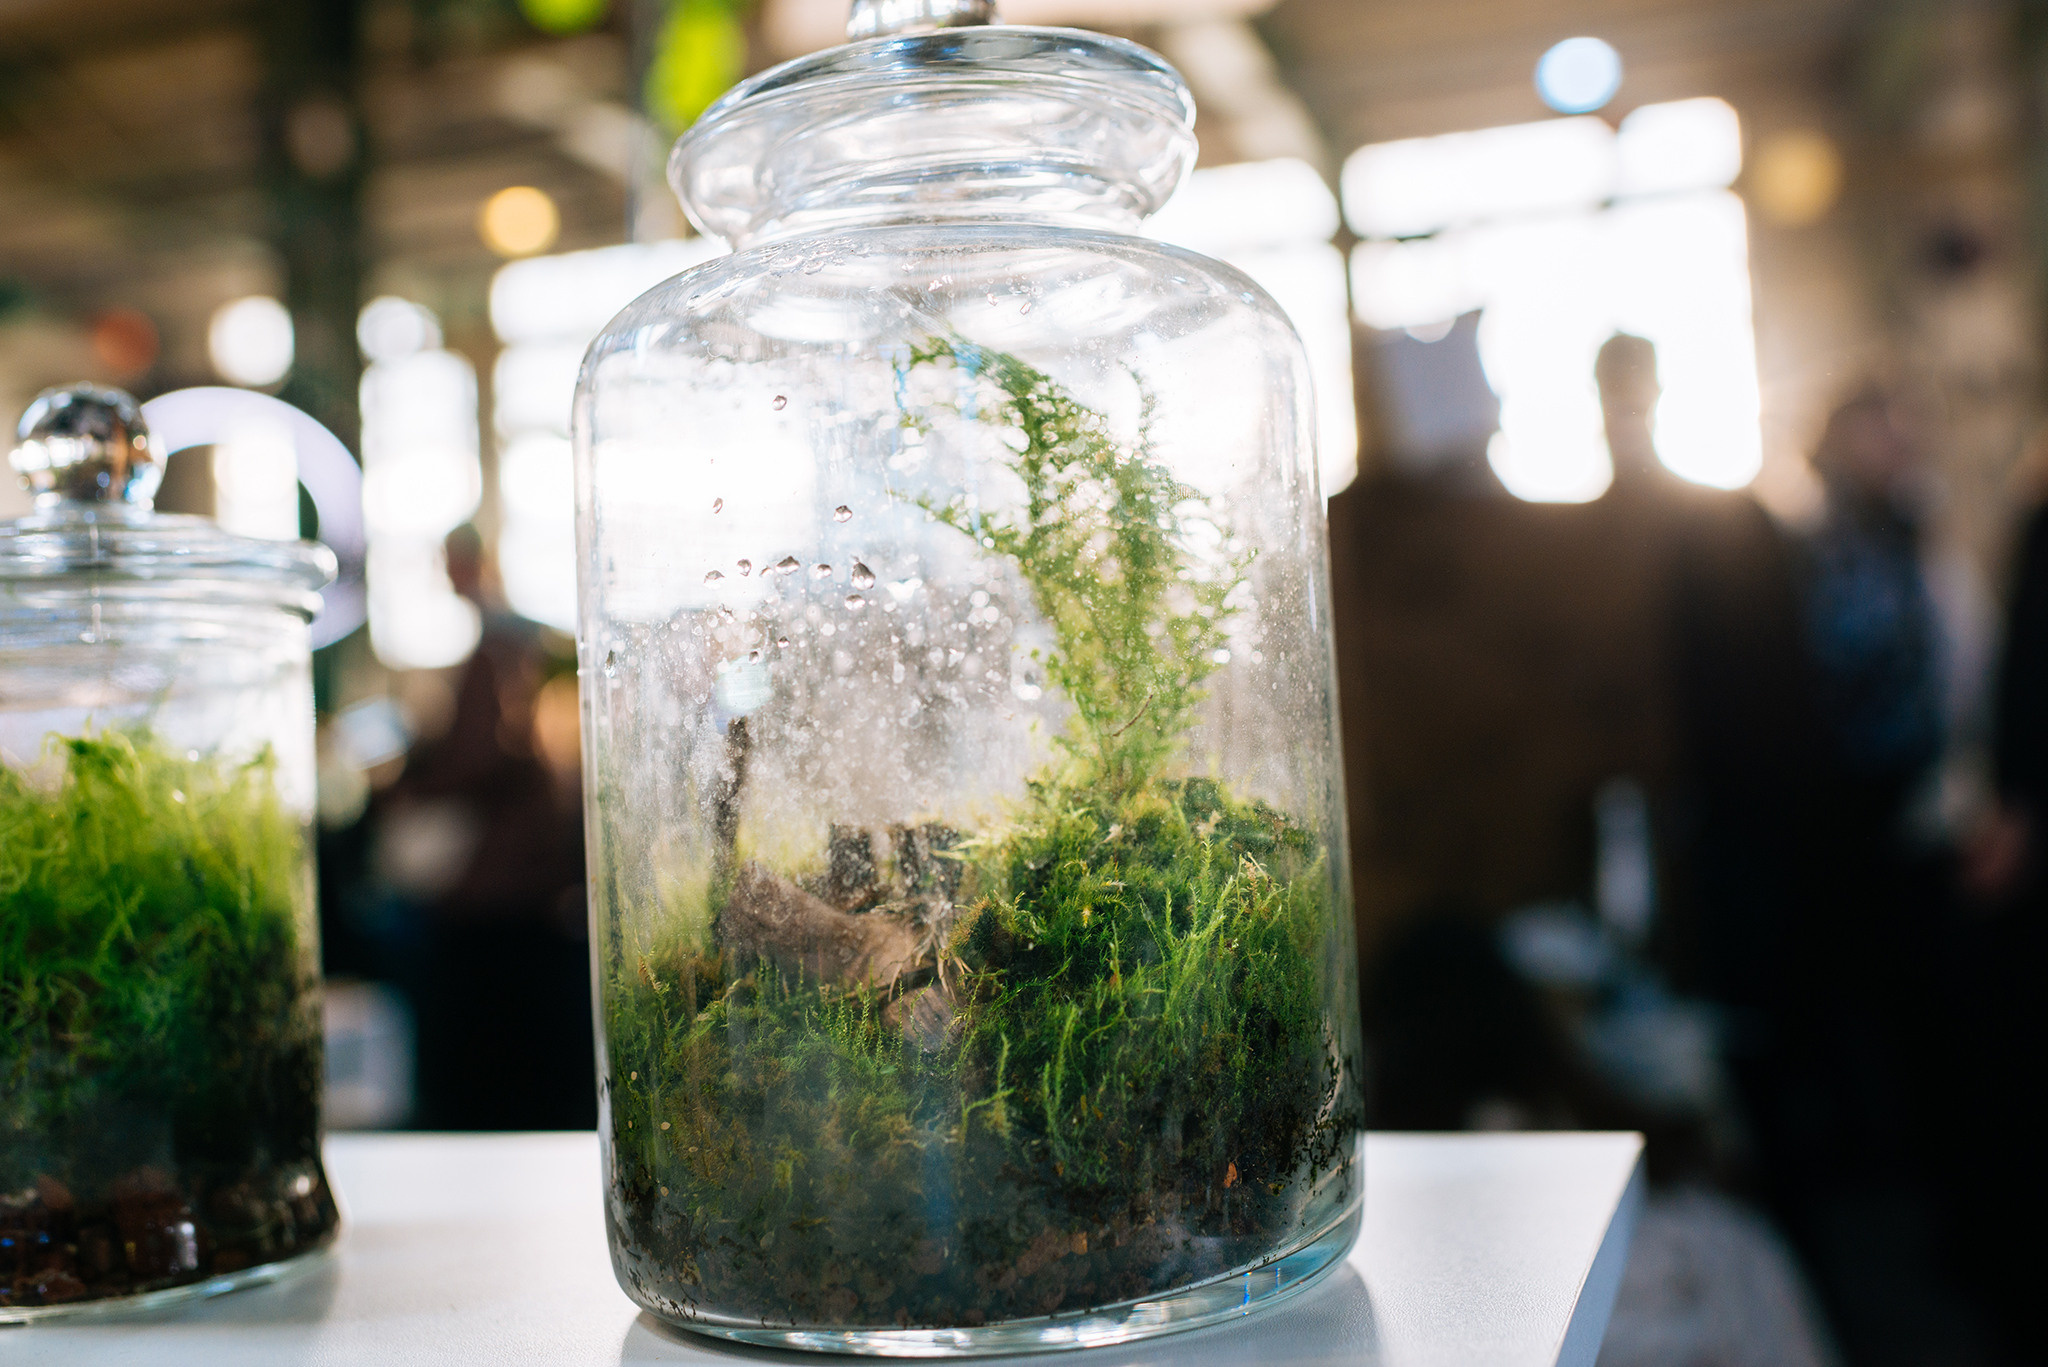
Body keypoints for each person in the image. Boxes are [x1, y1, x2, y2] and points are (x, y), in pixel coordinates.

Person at [378, 525, 593, 1130]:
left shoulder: (499, 646)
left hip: (504, 889)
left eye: (458, 563)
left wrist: (408, 784)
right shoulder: (522, 640)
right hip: (533, 879)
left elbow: (484, 751)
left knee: (491, 1052)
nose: (453, 576)